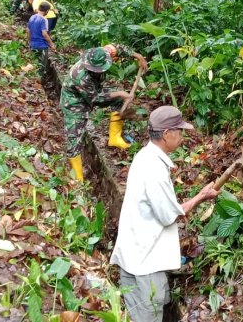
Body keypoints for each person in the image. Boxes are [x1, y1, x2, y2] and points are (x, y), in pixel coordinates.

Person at [110, 106, 219, 322]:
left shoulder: (145, 156)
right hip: (145, 261)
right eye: (179, 131)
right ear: (167, 134)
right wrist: (201, 197)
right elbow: (171, 215)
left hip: (133, 254)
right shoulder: (154, 169)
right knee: (149, 314)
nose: (182, 136)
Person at [60, 44, 148, 180]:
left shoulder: (104, 53)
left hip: (94, 91)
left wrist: (139, 57)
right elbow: (95, 99)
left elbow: (119, 48)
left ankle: (115, 138)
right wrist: (120, 92)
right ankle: (77, 179)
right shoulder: (80, 76)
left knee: (118, 99)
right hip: (74, 101)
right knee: (74, 136)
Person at [26, 2, 57, 75]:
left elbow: (28, 30)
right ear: (47, 11)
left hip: (33, 45)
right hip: (42, 46)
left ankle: (34, 78)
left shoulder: (32, 17)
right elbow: (44, 33)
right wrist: (52, 44)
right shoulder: (43, 20)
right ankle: (39, 80)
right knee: (42, 66)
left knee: (34, 63)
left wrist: (29, 42)